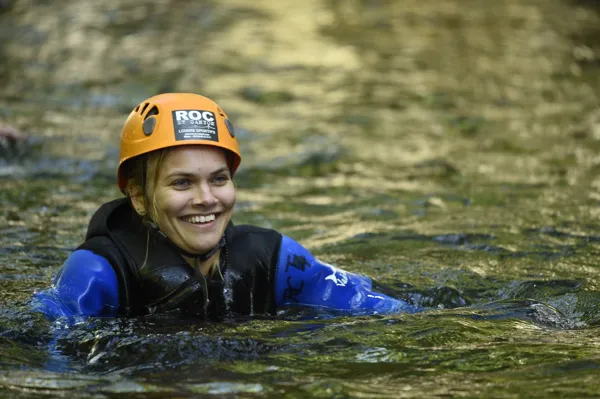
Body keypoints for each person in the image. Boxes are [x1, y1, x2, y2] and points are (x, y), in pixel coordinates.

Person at [32, 93, 420, 320]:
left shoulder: (273, 260)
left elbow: (388, 313)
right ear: (137, 196)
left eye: (219, 179)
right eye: (182, 182)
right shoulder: (99, 273)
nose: (206, 198)